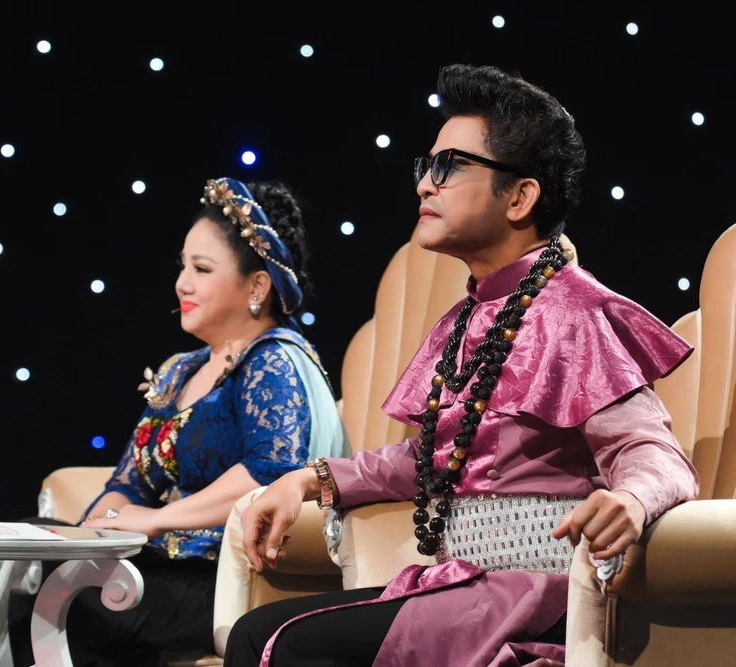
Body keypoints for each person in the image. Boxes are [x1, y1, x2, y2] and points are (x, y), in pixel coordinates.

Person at [222, 65, 700, 667]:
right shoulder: (471, 316)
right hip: (461, 585)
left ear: (520, 197)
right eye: (426, 167)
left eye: (448, 166)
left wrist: (631, 498)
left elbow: (653, 452)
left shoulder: (575, 311)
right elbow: (432, 460)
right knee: (256, 633)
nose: (425, 185)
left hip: (537, 599)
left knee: (274, 644)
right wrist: (308, 481)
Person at [0, 177, 350, 667]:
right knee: (21, 547)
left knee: (57, 590)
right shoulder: (180, 370)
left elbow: (269, 474)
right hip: (162, 566)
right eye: (183, 266)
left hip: (224, 581)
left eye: (201, 269)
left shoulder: (273, 361)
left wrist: (156, 521)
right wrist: (88, 534)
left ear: (257, 285)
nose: (182, 283)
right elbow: (130, 484)